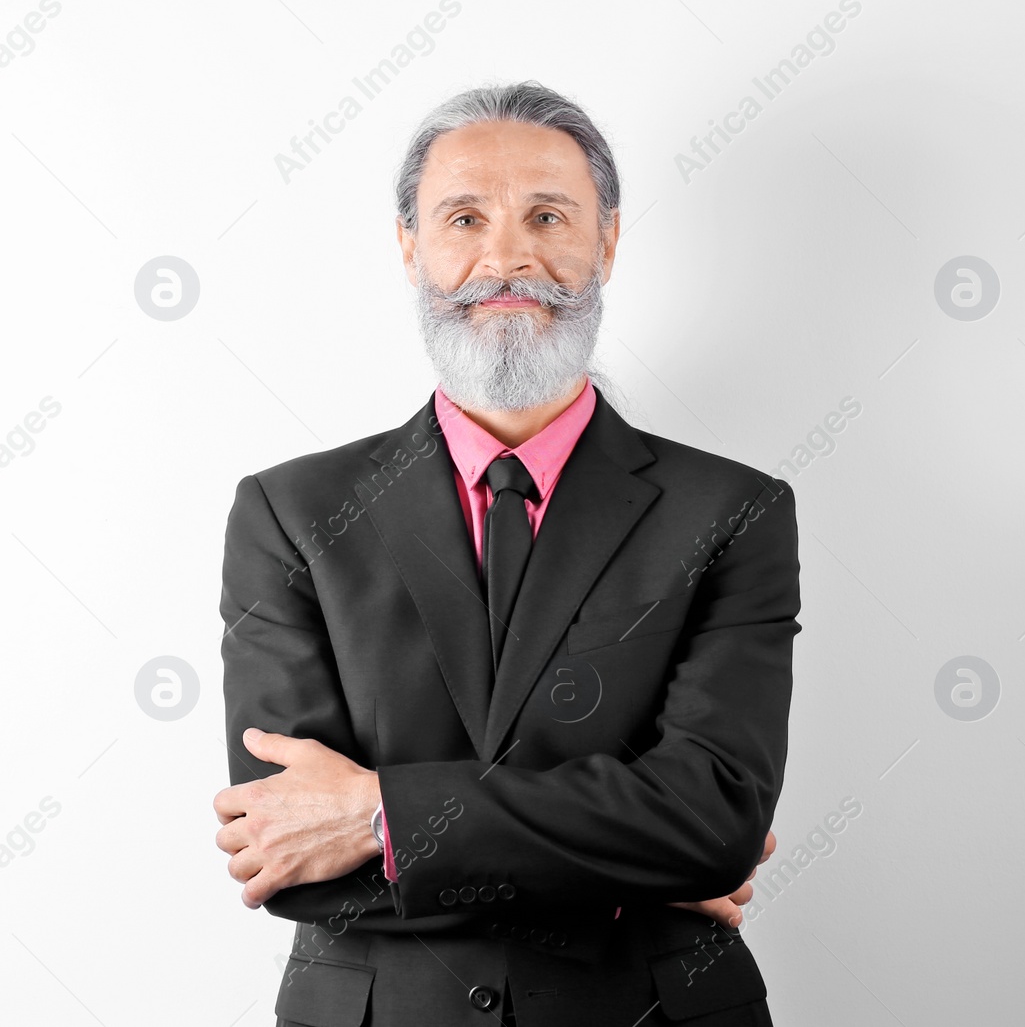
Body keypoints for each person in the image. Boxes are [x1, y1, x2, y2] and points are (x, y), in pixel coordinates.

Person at [214, 81, 799, 1026]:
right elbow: (290, 864)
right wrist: (633, 870)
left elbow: (712, 824)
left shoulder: (733, 512)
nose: (507, 257)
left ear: (606, 241)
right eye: (463, 218)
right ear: (411, 247)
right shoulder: (291, 513)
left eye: (548, 215)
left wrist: (377, 818)